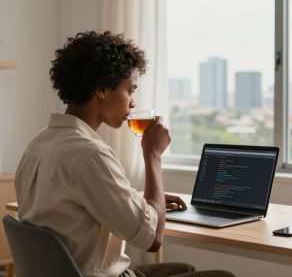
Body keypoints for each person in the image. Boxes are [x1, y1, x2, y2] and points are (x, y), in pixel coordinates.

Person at [14, 31, 235, 277]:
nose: (132, 102)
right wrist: (152, 155)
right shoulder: (90, 155)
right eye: (130, 90)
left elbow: (73, 203)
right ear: (101, 89)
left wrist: (142, 199)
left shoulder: (38, 144)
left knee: (185, 270)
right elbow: (152, 241)